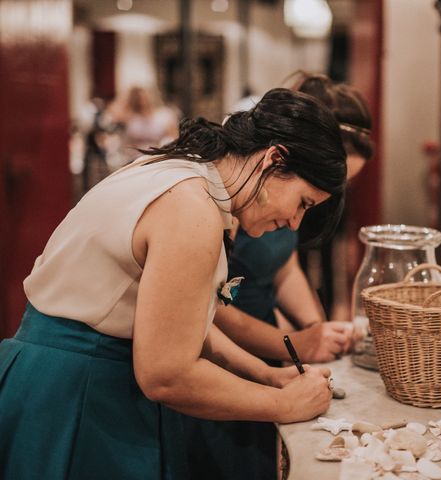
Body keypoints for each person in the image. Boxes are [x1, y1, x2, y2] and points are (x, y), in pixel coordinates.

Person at [0, 88, 346, 480]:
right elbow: (166, 374)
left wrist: (265, 374)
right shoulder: (191, 207)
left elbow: (184, 326)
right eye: (303, 203)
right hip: (77, 390)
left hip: (63, 377)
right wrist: (283, 406)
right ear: (274, 159)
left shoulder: (184, 171)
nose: (295, 223)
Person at [182, 73, 373, 480]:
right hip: (223, 352)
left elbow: (283, 265)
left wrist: (313, 329)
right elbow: (209, 310)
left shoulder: (283, 199)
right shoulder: (225, 203)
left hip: (261, 346)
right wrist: (293, 342)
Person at [108, 86, 180, 165]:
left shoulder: (164, 115)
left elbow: (175, 138)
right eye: (138, 98)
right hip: (135, 160)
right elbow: (113, 112)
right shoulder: (130, 117)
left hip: (160, 158)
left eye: (145, 97)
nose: (143, 101)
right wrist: (128, 95)